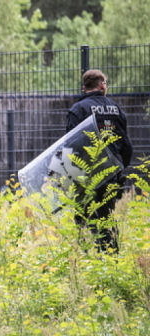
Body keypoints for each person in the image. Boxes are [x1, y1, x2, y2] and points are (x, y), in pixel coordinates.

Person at [66, 69, 133, 252]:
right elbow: (126, 145)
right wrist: (119, 167)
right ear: (102, 85)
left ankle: (84, 257)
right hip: (110, 175)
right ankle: (110, 260)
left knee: (83, 219)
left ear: (84, 87)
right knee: (106, 219)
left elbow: (71, 146)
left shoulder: (78, 109)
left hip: (85, 175)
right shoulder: (115, 108)